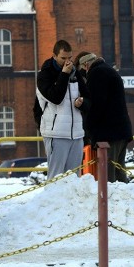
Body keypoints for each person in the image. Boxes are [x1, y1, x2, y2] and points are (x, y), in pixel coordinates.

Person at [36, 39, 90, 180]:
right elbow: (56, 98)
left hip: (76, 134)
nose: (67, 62)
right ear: (54, 56)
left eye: (70, 58)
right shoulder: (45, 75)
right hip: (56, 133)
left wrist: (82, 103)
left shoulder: (75, 73)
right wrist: (64, 75)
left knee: (74, 177)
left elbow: (88, 98)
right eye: (63, 58)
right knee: (56, 177)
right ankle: (52, 202)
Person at [78, 53, 133, 183]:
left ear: (86, 65)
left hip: (108, 134)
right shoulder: (108, 70)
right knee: (119, 171)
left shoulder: (96, 73)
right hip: (121, 130)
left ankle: (109, 202)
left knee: (108, 176)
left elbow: (96, 105)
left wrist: (88, 126)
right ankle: (124, 200)